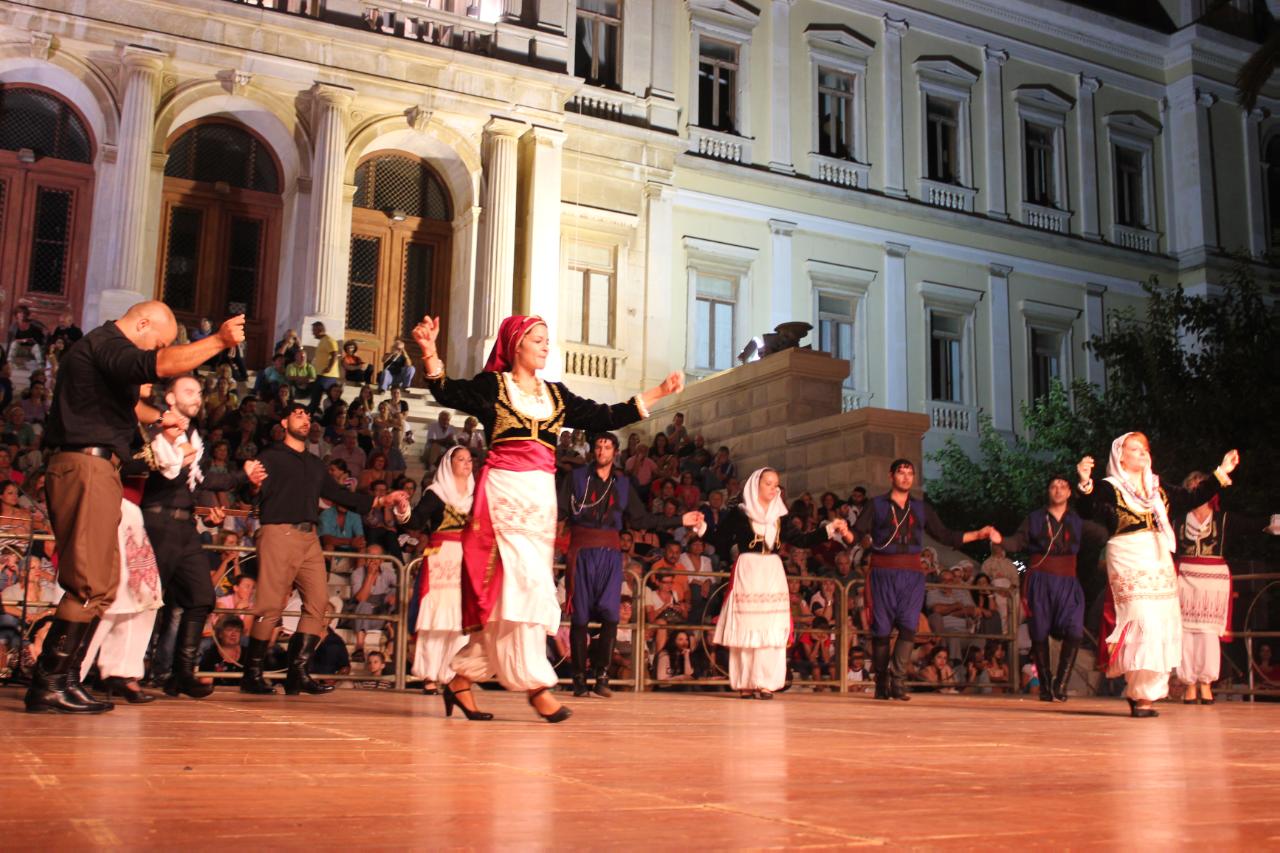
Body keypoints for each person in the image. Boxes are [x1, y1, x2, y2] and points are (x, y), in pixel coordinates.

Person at [410, 313, 685, 722]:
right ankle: (537, 687)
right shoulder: (494, 387)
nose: (545, 345)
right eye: (537, 339)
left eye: (547, 339)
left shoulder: (556, 395)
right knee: (524, 585)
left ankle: (461, 679)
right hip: (504, 493)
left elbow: (606, 416)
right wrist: (430, 351)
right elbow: (448, 391)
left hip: (540, 498)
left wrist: (659, 391)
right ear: (516, 344)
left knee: (518, 590)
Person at [27, 302, 245, 715]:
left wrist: (160, 418)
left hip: (99, 467)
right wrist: (218, 341)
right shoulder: (106, 343)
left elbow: (130, 408)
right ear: (142, 324)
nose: (158, 349)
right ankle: (49, 682)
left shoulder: (102, 357)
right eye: (158, 341)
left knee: (102, 584)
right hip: (86, 465)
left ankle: (65, 679)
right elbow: (157, 365)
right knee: (89, 583)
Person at [242, 403, 406, 697]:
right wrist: (253, 485)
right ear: (284, 422)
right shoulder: (271, 456)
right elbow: (251, 492)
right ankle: (251, 674)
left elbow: (339, 494)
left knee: (318, 603)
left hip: (309, 536)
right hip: (278, 531)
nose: (305, 419)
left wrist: (381, 501)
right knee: (269, 605)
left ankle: (297, 673)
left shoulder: (315, 464)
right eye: (297, 414)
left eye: (308, 415)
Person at [1075, 434, 1238, 718]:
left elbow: (1192, 496)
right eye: (1134, 449)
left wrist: (1221, 471)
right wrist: (1085, 484)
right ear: (1120, 456)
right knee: (1140, 619)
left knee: (1160, 623)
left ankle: (1143, 696)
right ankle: (1137, 687)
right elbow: (1087, 510)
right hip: (1127, 554)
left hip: (1158, 556)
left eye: (1145, 449)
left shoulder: (1157, 488)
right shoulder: (1109, 487)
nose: (1142, 453)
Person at [142, 375, 265, 698]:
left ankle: (182, 672)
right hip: (158, 521)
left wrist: (242, 476)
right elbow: (167, 473)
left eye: (198, 392)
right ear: (170, 399)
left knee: (201, 597)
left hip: (184, 525)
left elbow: (202, 478)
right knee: (146, 600)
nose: (197, 397)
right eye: (189, 391)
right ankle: (126, 671)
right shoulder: (157, 428)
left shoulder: (194, 434)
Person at [558, 432, 702, 698]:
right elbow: (558, 511)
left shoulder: (623, 484)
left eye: (607, 447)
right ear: (593, 450)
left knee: (611, 615)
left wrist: (680, 520)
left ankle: (602, 676)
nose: (602, 451)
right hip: (582, 552)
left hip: (610, 555)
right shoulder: (576, 478)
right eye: (598, 446)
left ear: (615, 452)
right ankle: (579, 679)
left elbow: (641, 520)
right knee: (579, 617)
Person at [850, 458, 1000, 702]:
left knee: (909, 627)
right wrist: (844, 532)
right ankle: (881, 681)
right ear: (891, 476)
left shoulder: (921, 508)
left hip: (911, 574)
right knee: (882, 630)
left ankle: (897, 680)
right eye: (901, 472)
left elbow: (946, 536)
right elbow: (856, 533)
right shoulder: (876, 504)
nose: (906, 477)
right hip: (883, 573)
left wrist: (978, 534)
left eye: (910, 473)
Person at [711, 467, 847, 699]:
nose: (773, 489)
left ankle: (766, 683)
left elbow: (802, 540)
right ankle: (746, 682)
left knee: (771, 626)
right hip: (749, 570)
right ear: (756, 485)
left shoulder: (780, 516)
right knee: (748, 626)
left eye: (776, 485)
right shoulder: (740, 513)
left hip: (772, 572)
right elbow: (718, 538)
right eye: (768, 483)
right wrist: (700, 526)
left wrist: (828, 529)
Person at [1172, 470, 1272, 704]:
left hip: (1213, 580)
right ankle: (1189, 683)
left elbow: (1254, 524)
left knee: (1208, 633)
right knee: (1185, 632)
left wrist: (1275, 521)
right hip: (1185, 578)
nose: (1196, 490)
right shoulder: (1177, 521)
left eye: (1200, 486)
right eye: (1192, 486)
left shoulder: (1223, 519)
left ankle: (1206, 683)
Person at [998, 476, 1099, 702]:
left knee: (1074, 629)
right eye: (1053, 486)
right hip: (1040, 581)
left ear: (1070, 492)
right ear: (1048, 492)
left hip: (1067, 580)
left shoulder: (1076, 520)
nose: (1058, 490)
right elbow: (1016, 543)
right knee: (1039, 631)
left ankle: (1060, 683)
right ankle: (1045, 683)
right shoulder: (1034, 518)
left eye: (1063, 487)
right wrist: (1000, 539)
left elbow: (1098, 530)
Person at [78, 468, 164, 704]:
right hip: (110, 503)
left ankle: (122, 670)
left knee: (144, 595)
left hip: (131, 509)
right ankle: (72, 673)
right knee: (109, 594)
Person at [396, 445, 473, 695]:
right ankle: (429, 676)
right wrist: (403, 510)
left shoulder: (475, 494)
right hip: (440, 558)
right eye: (460, 459)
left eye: (469, 459)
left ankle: (451, 675)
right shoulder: (436, 492)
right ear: (448, 463)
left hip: (466, 559)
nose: (466, 463)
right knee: (435, 619)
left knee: (459, 620)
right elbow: (417, 521)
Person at [308, 322, 342, 411]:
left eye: (314, 330)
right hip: (321, 374)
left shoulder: (329, 340)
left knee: (319, 398)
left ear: (319, 330)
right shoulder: (322, 341)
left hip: (327, 375)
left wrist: (329, 367)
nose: (312, 333)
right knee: (317, 398)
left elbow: (334, 354)